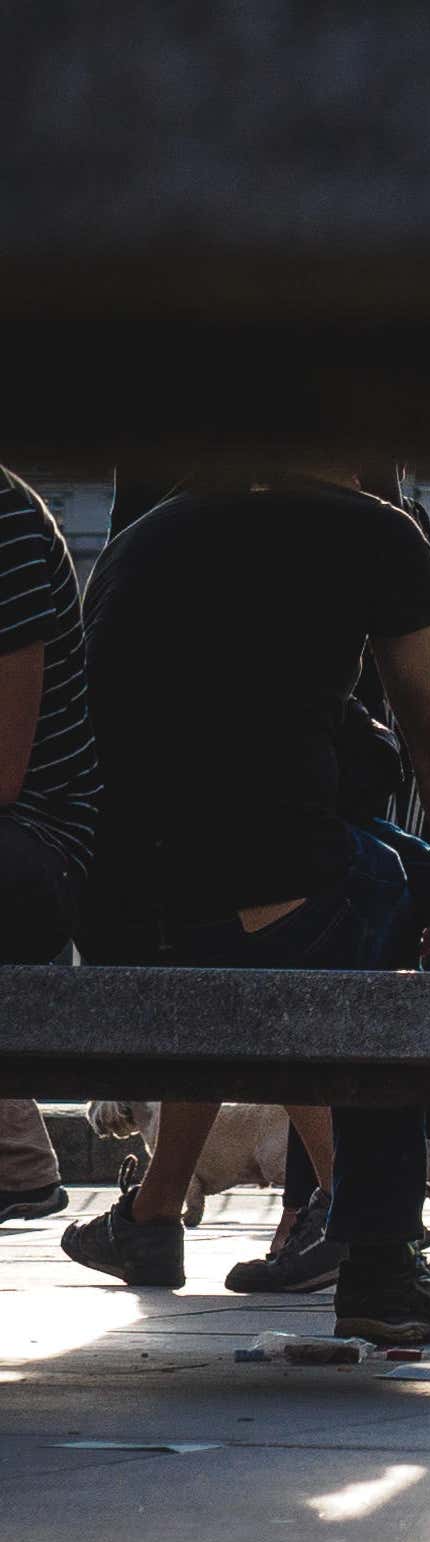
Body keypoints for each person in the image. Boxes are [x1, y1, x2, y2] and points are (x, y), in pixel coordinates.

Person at [62, 469, 430, 1344]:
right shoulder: (371, 530)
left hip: (116, 921)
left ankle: (171, 1213)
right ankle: (382, 1260)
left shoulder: (145, 532)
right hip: (256, 906)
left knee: (357, 865)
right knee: (375, 901)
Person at [0, 465, 98, 1227]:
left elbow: (6, 766)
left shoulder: (3, 516)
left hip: (39, 841)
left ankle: (16, 1156)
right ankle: (16, 1153)